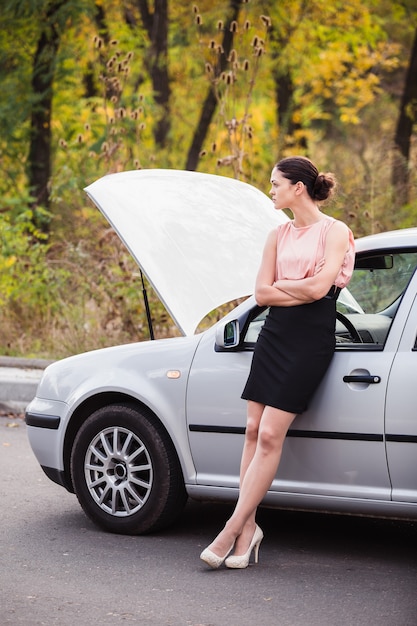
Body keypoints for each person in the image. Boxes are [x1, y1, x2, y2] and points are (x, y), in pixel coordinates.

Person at [200, 156, 355, 569]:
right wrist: (298, 289)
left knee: (270, 434)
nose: (270, 189)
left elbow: (323, 289)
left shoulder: (335, 231)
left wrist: (287, 287)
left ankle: (231, 528)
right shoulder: (277, 234)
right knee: (251, 429)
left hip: (309, 339)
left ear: (297, 188)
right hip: (274, 335)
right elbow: (261, 296)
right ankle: (250, 530)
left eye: (275, 183)